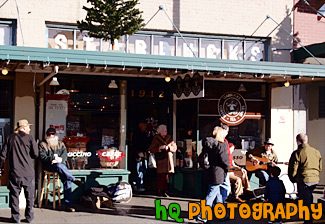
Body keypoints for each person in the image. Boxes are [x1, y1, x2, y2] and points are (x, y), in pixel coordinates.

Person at [0, 119, 39, 223]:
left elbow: (2, 155)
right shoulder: (30, 138)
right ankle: (29, 217)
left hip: (15, 172)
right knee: (29, 196)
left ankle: (15, 217)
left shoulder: (9, 138)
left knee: (14, 196)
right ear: (24, 128)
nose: (30, 129)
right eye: (28, 127)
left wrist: (1, 167)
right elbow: (36, 154)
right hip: (28, 172)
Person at [39, 127, 84, 212]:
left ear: (55, 135)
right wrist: (52, 158)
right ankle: (74, 179)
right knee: (59, 166)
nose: (51, 136)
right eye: (49, 134)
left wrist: (60, 159)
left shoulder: (61, 144)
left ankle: (68, 205)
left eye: (52, 134)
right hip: (50, 165)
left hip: (60, 166)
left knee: (67, 180)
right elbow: (42, 157)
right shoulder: (43, 144)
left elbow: (64, 154)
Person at [197, 126, 229, 223]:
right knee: (211, 195)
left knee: (218, 194)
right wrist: (227, 168)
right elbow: (224, 160)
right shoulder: (221, 144)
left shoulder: (208, 144)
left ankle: (221, 214)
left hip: (210, 171)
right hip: (218, 172)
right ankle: (202, 215)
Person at [288, 133, 322, 224]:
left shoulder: (297, 153)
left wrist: (293, 179)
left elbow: (293, 169)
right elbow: (320, 167)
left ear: (297, 141)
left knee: (306, 202)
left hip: (304, 180)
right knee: (309, 198)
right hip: (315, 179)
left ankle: (308, 221)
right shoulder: (316, 151)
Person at [148, 124, 177, 197]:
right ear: (160, 131)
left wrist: (169, 148)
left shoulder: (169, 138)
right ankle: (159, 190)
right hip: (161, 160)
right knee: (161, 176)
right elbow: (151, 149)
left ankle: (165, 190)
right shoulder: (156, 138)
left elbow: (175, 147)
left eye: (166, 130)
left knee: (167, 176)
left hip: (168, 160)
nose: (166, 131)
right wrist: (159, 148)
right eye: (164, 130)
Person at [133, 120, 151, 192]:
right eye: (144, 125)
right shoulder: (137, 134)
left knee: (143, 170)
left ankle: (139, 185)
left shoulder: (144, 134)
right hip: (139, 155)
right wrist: (138, 152)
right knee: (139, 171)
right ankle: (138, 185)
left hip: (144, 154)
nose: (145, 126)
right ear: (140, 125)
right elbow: (135, 145)